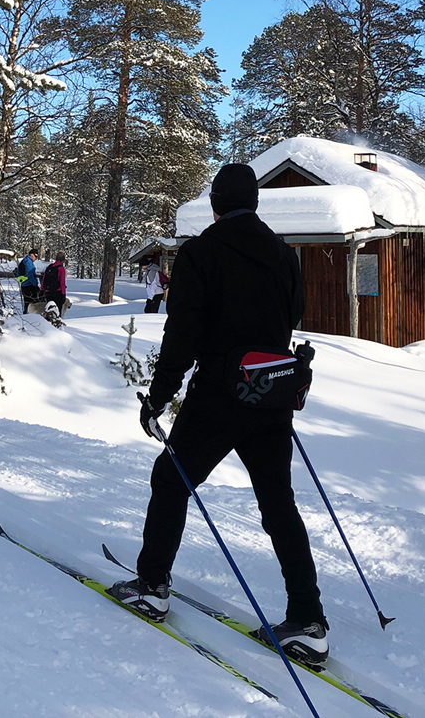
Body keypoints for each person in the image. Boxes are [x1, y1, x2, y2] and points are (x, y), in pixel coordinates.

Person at [108, 163, 329, 665]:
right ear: (254, 202)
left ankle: (152, 586)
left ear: (215, 204)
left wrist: (159, 397)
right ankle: (309, 621)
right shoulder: (283, 254)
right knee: (278, 505)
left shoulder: (200, 253)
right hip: (271, 393)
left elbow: (181, 333)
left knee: (171, 479)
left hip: (218, 395)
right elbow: (293, 317)